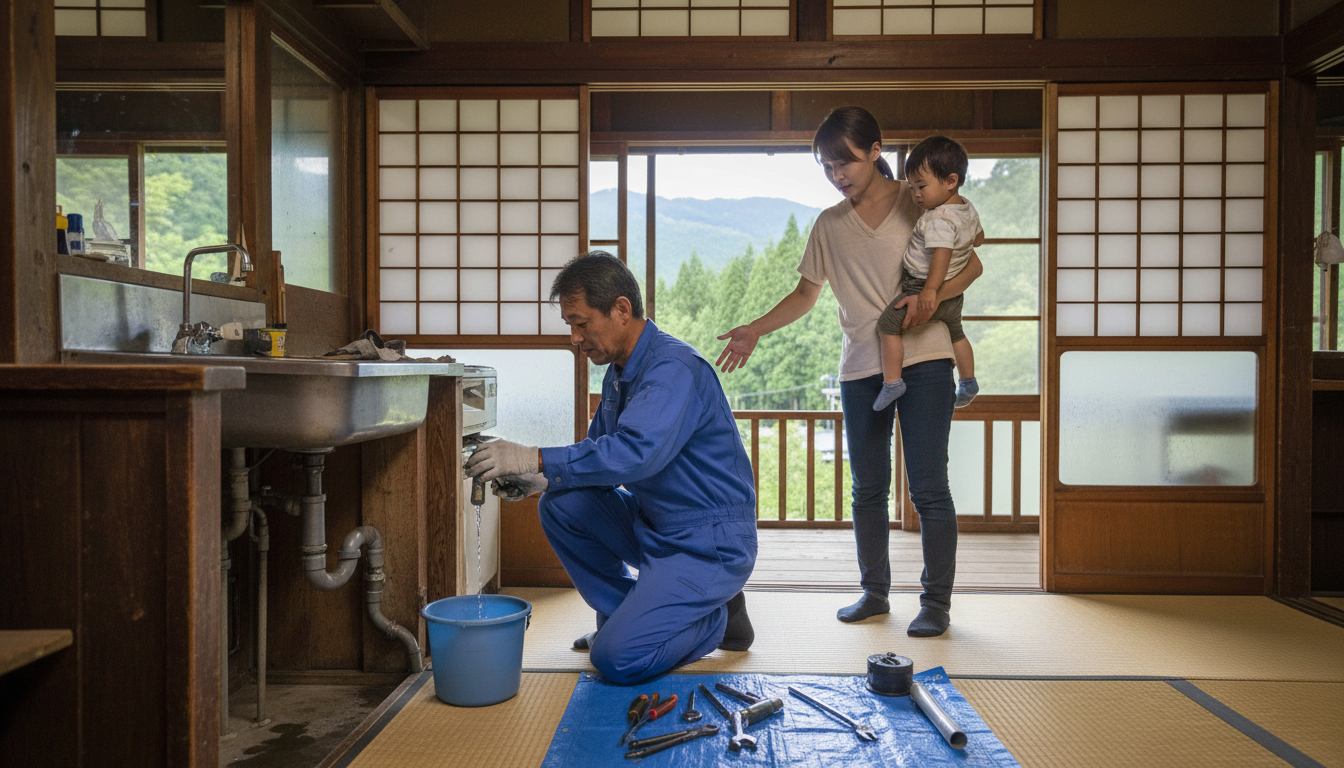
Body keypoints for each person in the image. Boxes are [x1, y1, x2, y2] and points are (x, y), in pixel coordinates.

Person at [716, 106, 981, 638]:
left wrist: (931, 297)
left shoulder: (922, 200)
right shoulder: (829, 225)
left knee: (929, 487)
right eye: (826, 167)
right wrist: (755, 329)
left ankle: (936, 604)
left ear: (876, 152)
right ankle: (875, 592)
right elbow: (805, 294)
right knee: (867, 489)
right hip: (862, 366)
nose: (837, 175)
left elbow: (971, 264)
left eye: (846, 163)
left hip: (926, 356)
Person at [464, 251, 758, 685]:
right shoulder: (619, 374)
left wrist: (532, 455)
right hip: (657, 529)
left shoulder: (673, 368)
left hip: (707, 542)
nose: (574, 338)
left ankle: (715, 620)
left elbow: (634, 454)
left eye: (581, 323)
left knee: (615, 658)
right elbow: (597, 456)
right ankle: (633, 614)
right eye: (570, 326)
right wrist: (537, 478)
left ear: (621, 309)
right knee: (561, 502)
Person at [873, 135, 983, 411]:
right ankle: (968, 381)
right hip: (953, 294)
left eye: (922, 186)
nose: (916, 195)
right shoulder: (966, 207)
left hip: (921, 287)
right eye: (911, 188)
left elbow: (941, 256)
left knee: (886, 327)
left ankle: (893, 383)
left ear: (950, 181)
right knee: (956, 332)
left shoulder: (938, 218)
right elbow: (979, 238)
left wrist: (929, 292)